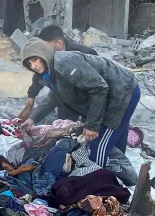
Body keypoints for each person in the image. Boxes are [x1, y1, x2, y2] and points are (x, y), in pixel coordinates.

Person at [19, 37, 141, 167]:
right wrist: (32, 119)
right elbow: (53, 97)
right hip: (108, 93)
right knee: (115, 137)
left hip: (121, 91)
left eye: (35, 59)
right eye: (29, 64)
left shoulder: (64, 63)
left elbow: (98, 88)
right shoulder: (48, 73)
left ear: (43, 53)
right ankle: (119, 171)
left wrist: (92, 126)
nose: (34, 66)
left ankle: (98, 175)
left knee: (98, 145)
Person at [18, 24, 98, 121]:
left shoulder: (82, 53)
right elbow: (40, 74)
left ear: (59, 43)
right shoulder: (48, 57)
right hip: (65, 97)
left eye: (45, 46)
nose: (42, 50)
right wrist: (31, 96)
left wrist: (91, 123)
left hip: (87, 96)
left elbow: (97, 87)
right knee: (64, 121)